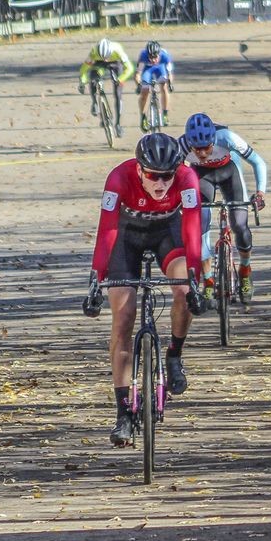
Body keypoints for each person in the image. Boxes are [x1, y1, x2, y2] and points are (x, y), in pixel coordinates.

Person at [82, 133, 205, 445]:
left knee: (182, 292)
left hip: (168, 233)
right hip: (127, 236)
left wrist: (193, 278)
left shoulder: (187, 177)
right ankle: (123, 413)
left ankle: (175, 353)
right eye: (153, 175)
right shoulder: (119, 177)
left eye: (167, 176)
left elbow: (192, 228)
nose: (161, 183)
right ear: (139, 169)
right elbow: (107, 229)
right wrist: (96, 279)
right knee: (123, 319)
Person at [179, 113, 268, 304]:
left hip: (230, 172)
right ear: (190, 144)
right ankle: (208, 281)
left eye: (207, 148)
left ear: (214, 140)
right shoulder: (182, 146)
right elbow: (173, 176)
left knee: (239, 225)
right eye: (197, 150)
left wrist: (260, 193)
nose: (202, 155)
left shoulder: (227, 138)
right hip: (202, 177)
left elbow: (258, 162)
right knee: (200, 224)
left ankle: (245, 270)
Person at [78, 38, 134, 137]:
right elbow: (84, 69)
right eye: (103, 57)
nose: (106, 59)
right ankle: (95, 102)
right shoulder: (94, 52)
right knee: (93, 78)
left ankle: (118, 124)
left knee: (118, 94)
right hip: (99, 64)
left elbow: (130, 68)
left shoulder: (118, 51)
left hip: (116, 63)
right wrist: (82, 82)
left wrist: (120, 79)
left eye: (107, 57)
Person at [135, 40, 174, 131]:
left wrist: (170, 83)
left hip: (160, 68)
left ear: (159, 54)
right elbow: (138, 74)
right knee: (144, 92)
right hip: (147, 70)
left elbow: (169, 74)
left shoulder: (165, 56)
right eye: (150, 57)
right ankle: (143, 117)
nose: (153, 60)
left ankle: (165, 114)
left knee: (164, 88)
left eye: (155, 57)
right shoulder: (143, 56)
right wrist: (139, 85)